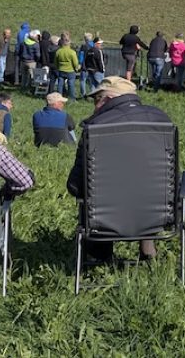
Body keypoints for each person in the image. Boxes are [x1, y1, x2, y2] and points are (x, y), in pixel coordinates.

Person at [66, 76, 171, 262]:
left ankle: (100, 255)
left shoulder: (96, 126)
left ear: (107, 99)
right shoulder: (161, 119)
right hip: (158, 212)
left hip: (106, 215)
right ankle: (148, 249)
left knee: (99, 192)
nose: (95, 106)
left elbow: (75, 184)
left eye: (96, 100)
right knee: (144, 187)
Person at [54, 33, 80, 100]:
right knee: (71, 85)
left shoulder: (58, 51)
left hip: (61, 70)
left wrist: (57, 67)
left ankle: (59, 97)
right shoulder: (72, 52)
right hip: (70, 70)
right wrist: (76, 68)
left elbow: (55, 62)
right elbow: (75, 63)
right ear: (69, 42)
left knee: (60, 85)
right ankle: (72, 98)